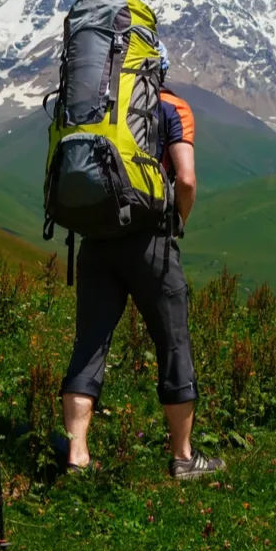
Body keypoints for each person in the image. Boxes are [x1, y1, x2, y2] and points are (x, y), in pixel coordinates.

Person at [59, 40, 225, 481]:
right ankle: (184, 458)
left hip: (97, 236)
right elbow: (185, 179)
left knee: (89, 345)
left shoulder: (97, 107)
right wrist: (177, 224)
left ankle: (77, 455)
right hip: (150, 240)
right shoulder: (171, 109)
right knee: (173, 345)